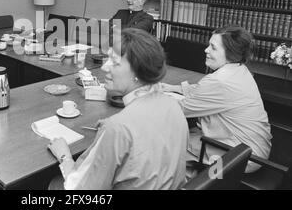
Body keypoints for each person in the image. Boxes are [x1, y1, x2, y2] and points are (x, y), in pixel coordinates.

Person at [47, 28, 188, 190]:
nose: (104, 67)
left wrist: (64, 156)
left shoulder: (117, 127)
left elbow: (80, 188)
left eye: (114, 62)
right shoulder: (173, 105)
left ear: (138, 71)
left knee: (55, 184)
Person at [162, 25, 272, 173]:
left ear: (230, 54)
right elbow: (205, 92)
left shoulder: (220, 81)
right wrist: (173, 88)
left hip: (237, 158)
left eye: (213, 47)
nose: (206, 50)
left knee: (165, 146)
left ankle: (196, 181)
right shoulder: (239, 70)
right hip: (252, 150)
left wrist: (149, 96)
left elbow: (178, 110)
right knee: (183, 135)